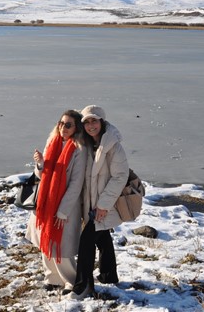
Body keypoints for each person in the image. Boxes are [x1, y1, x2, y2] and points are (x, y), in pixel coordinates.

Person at [70, 105, 129, 300]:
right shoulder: (86, 144)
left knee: (86, 243)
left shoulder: (113, 146)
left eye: (94, 120)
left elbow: (120, 176)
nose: (90, 125)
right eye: (86, 122)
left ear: (102, 121)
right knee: (103, 238)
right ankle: (108, 275)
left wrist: (103, 205)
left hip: (103, 204)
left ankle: (83, 285)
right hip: (90, 204)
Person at [25, 109, 87, 295]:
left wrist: (63, 211)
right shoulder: (52, 142)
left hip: (65, 205)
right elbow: (41, 175)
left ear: (76, 128)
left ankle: (70, 280)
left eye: (68, 125)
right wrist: (40, 163)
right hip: (46, 202)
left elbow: (76, 184)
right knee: (46, 241)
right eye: (61, 123)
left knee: (63, 245)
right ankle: (51, 277)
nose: (63, 127)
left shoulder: (79, 149)